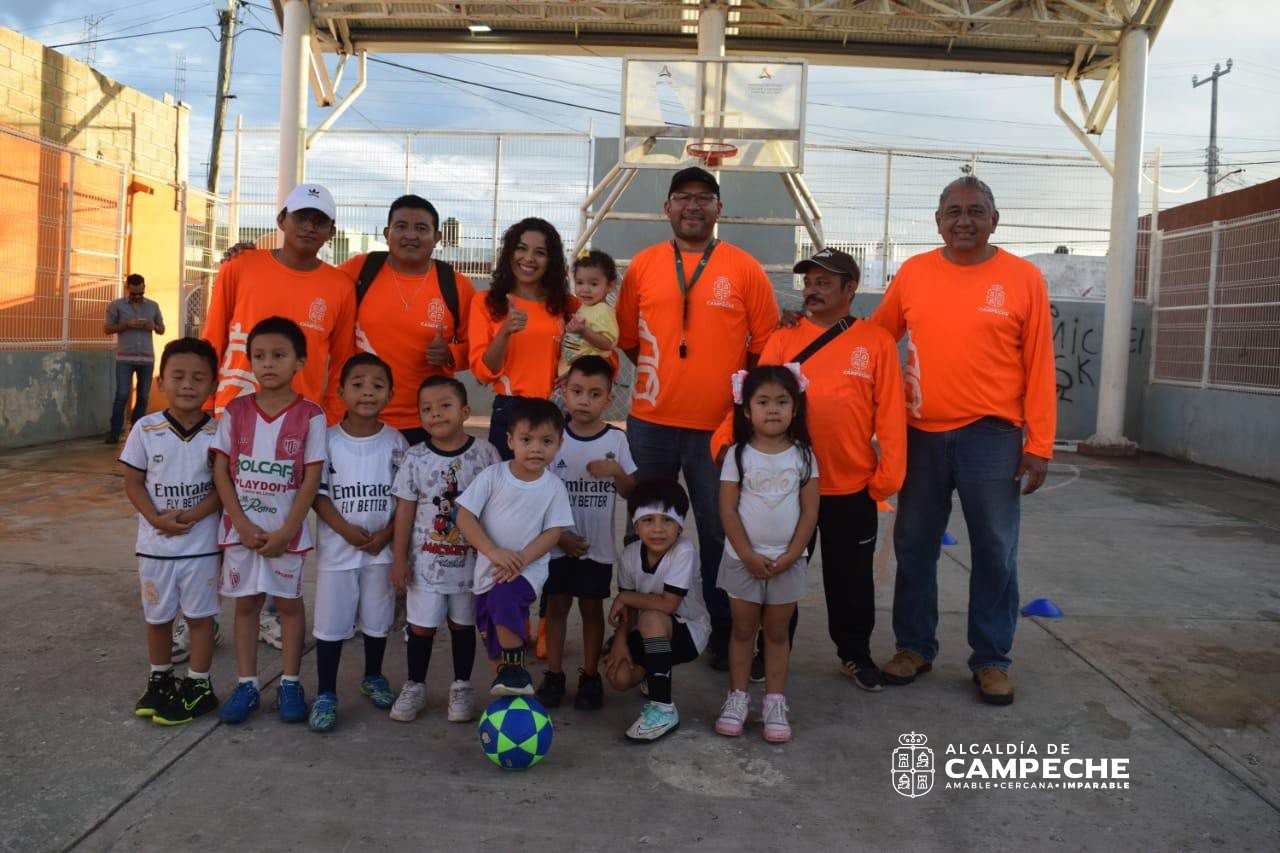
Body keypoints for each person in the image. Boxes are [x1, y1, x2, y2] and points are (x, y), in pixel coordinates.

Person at [870, 176, 1056, 706]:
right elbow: (877, 339)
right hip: (921, 436)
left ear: (994, 219)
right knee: (914, 545)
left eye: (975, 211)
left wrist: (1039, 443)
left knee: (996, 551)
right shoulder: (913, 274)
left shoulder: (1023, 279)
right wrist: (815, 331)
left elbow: (1040, 365)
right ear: (937, 220)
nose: (964, 221)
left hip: (993, 438)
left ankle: (992, 659)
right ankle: (914, 646)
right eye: (953, 211)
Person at [714, 248, 907, 691]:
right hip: (784, 485)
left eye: (824, 283)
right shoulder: (783, 338)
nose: (812, 290)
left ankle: (855, 654)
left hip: (849, 485)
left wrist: (887, 477)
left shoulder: (875, 341)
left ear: (850, 289)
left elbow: (891, 414)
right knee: (780, 569)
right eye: (810, 282)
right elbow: (754, 396)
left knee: (851, 578)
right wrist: (726, 443)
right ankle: (772, 650)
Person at [615, 166, 781, 668]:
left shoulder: (744, 268)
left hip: (719, 429)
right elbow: (627, 338)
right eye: (682, 198)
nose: (693, 206)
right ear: (666, 208)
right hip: (651, 422)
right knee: (643, 527)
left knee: (719, 529)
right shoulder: (643, 265)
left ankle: (724, 633)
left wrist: (732, 402)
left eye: (703, 198)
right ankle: (633, 632)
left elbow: (765, 346)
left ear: (718, 209)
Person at [212, 316, 327, 724]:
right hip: (242, 534)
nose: (268, 364)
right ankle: (246, 685)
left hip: (285, 535)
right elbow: (221, 471)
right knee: (246, 607)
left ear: (300, 361)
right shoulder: (235, 411)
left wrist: (287, 530)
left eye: (279, 355)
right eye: (259, 356)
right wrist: (240, 523)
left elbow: (311, 478)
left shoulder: (311, 416)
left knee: (290, 608)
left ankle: (290, 684)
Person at [714, 365, 819, 743]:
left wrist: (793, 555)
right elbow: (727, 510)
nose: (772, 409)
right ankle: (737, 699)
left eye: (781, 401)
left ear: (795, 408)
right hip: (742, 560)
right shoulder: (738, 455)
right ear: (747, 411)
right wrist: (746, 554)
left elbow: (810, 511)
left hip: (786, 563)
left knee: (776, 633)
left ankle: (774, 701)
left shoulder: (804, 456)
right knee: (742, 631)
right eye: (762, 401)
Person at [388, 376, 502, 724]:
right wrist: (399, 558)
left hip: (471, 565)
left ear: (465, 411)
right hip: (426, 564)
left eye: (445, 405)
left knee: (462, 626)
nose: (435, 414)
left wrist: (495, 555)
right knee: (421, 627)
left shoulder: (485, 454)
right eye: (426, 409)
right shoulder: (415, 457)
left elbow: (497, 507)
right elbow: (405, 510)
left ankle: (462, 686)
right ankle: (415, 685)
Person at [121, 337, 222, 725]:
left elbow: (222, 486)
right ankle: (160, 677)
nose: (187, 384)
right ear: (161, 381)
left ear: (212, 384)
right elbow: (132, 482)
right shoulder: (146, 428)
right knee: (158, 616)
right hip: (155, 546)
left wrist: (195, 515)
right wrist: (155, 519)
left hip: (201, 547)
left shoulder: (220, 432)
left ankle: (199, 685)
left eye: (198, 377)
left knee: (199, 618)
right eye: (178, 376)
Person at [308, 353, 409, 733]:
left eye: (377, 386)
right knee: (332, 624)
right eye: (358, 384)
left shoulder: (395, 442)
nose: (368, 392)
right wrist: (345, 530)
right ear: (340, 391)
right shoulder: (328, 440)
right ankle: (327, 693)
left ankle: (373, 676)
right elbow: (317, 494)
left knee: (377, 618)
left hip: (379, 552)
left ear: (390, 393)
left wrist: (384, 536)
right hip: (338, 551)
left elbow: (403, 498)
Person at [204, 183, 356, 425]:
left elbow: (342, 361)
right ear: (282, 219)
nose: (309, 227)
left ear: (332, 232)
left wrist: (331, 419)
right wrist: (206, 405)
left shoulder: (341, 286)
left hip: (300, 421)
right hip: (234, 412)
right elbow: (213, 338)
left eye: (319, 221)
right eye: (301, 217)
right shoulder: (239, 266)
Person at [454, 398, 574, 696]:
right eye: (526, 439)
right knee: (492, 635)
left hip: (526, 571)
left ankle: (517, 671)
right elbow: (464, 516)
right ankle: (508, 692)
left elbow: (553, 531)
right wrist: (494, 552)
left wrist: (521, 559)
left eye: (546, 441)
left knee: (505, 601)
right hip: (488, 572)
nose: (536, 448)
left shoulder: (553, 486)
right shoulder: (493, 476)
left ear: (559, 443)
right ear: (510, 441)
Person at [536, 355, 637, 710]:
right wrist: (559, 536)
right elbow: (536, 492)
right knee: (557, 607)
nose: (584, 400)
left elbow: (630, 492)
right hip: (557, 544)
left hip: (597, 547)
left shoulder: (617, 441)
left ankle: (590, 675)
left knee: (593, 610)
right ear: (563, 390)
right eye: (577, 391)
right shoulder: (552, 438)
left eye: (595, 394)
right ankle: (553, 674)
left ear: (609, 399)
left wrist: (616, 472)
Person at [337, 195, 477, 446]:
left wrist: (450, 353)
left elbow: (479, 350)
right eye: (401, 227)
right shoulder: (359, 269)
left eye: (421, 228)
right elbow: (313, 283)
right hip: (364, 418)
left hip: (429, 422)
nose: (410, 235)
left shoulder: (456, 285)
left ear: (437, 237)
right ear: (386, 233)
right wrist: (247, 258)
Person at [602, 479, 710, 742]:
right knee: (619, 676)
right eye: (648, 520)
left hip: (689, 631)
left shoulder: (684, 550)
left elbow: (668, 604)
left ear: (680, 526)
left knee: (652, 618)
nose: (658, 529)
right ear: (636, 525)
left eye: (667, 521)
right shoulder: (629, 555)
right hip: (655, 629)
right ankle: (654, 673)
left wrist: (626, 596)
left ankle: (663, 708)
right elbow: (629, 611)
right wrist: (620, 641)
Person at [468, 218, 578, 459]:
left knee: (555, 492)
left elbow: (604, 350)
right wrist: (506, 331)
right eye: (521, 248)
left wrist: (577, 370)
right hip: (511, 411)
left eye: (540, 252)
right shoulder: (486, 302)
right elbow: (483, 372)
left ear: (551, 261)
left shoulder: (567, 305)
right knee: (509, 492)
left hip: (557, 408)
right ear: (509, 253)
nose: (529, 258)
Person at [104, 273, 165, 444]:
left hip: (146, 359)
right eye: (134, 294)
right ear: (127, 288)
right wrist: (126, 325)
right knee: (122, 394)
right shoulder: (116, 306)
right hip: (124, 358)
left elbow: (162, 329)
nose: (137, 296)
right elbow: (107, 329)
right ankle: (115, 432)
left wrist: (154, 326)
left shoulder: (153, 306)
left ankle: (137, 432)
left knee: (143, 396)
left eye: (140, 293)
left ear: (144, 288)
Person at [557, 250, 619, 377]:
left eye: (594, 284)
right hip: (573, 372)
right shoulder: (585, 306)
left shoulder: (603, 310)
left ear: (609, 285)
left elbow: (608, 344)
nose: (585, 289)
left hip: (587, 375)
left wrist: (583, 331)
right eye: (579, 283)